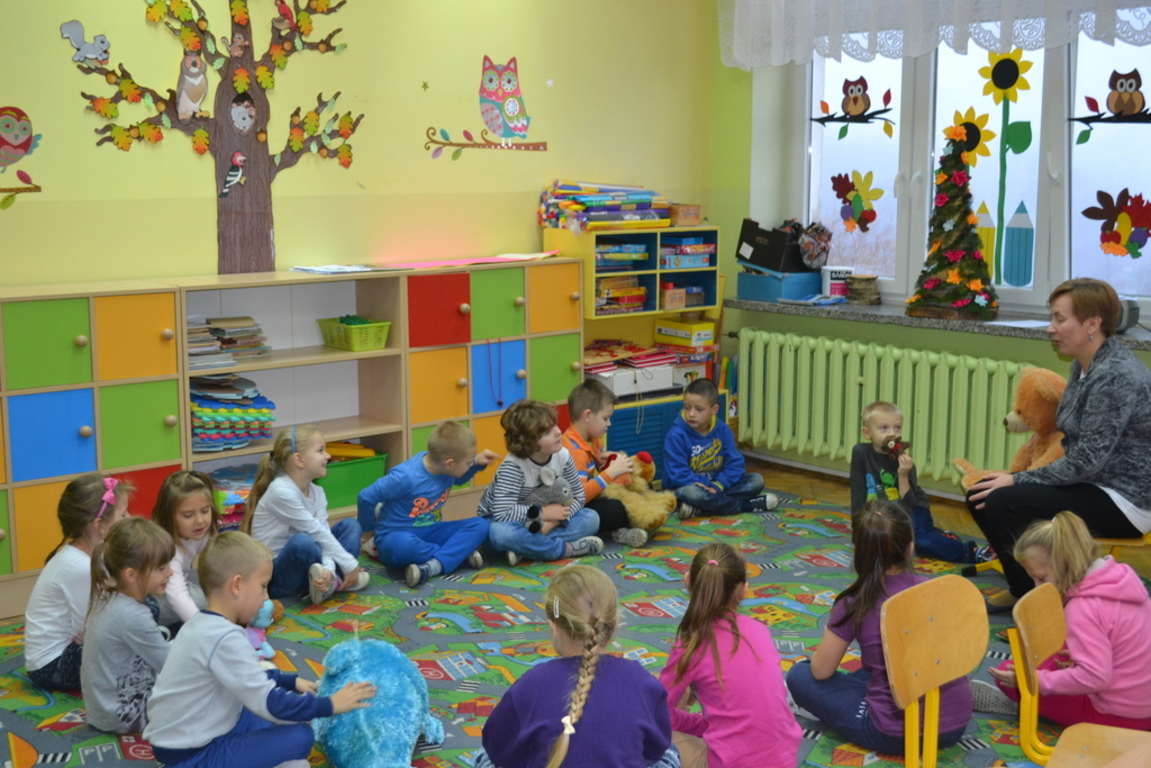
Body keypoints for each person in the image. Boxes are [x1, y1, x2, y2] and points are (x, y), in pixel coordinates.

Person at [968, 279, 1151, 612]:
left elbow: (1087, 460)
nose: (1051, 328)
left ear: (1092, 324)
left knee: (999, 501)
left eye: (1060, 319)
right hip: (1092, 482)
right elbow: (1074, 436)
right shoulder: (1084, 364)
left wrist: (1017, 478)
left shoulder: (1116, 375)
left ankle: (1042, 599)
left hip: (1123, 499)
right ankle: (1028, 589)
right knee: (980, 495)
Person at [144, 531, 376, 768]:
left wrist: (289, 681)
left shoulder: (201, 623)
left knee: (289, 721)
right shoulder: (224, 637)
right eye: (263, 586)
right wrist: (332, 704)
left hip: (191, 735)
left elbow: (244, 675)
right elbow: (269, 703)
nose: (266, 598)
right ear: (236, 585)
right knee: (301, 736)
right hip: (191, 755)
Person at [787, 501, 972, 755]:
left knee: (799, 675)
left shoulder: (855, 601)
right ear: (910, 548)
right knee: (878, 666)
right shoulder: (935, 589)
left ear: (858, 551)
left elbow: (820, 671)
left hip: (894, 732)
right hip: (955, 722)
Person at [474, 565, 678, 768]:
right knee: (668, 753)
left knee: (483, 757)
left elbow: (497, 748)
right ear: (615, 623)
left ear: (553, 628)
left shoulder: (530, 684)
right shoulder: (640, 679)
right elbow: (656, 748)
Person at [971, 512, 1151, 729]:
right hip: (1142, 705)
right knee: (1056, 651)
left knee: (1010, 673)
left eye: (1041, 578)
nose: (1037, 587)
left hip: (1118, 718)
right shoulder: (1122, 578)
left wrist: (1036, 681)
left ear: (1065, 564)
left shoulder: (1083, 608)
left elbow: (1095, 678)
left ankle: (1027, 705)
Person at [660, 543, 800, 768]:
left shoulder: (690, 645)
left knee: (645, 732)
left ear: (687, 581)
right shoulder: (760, 630)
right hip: (784, 760)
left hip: (729, 762)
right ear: (744, 590)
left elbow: (657, 715)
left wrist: (698, 725)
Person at [24, 474, 132, 691]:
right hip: (52, 666)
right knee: (129, 636)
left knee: (140, 613)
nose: (130, 518)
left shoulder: (93, 553)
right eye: (123, 514)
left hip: (70, 650)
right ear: (99, 525)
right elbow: (96, 629)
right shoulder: (80, 567)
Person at [357, 420, 496, 587]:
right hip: (396, 534)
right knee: (404, 546)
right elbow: (366, 496)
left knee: (481, 525)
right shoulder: (405, 476)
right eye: (469, 462)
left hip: (431, 530)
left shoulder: (443, 466)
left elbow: (459, 478)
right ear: (449, 463)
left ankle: (436, 563)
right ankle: (455, 556)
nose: (470, 464)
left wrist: (477, 463)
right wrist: (366, 532)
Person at [851, 401, 991, 564]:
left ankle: (972, 552)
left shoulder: (904, 462)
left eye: (897, 428)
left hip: (914, 508)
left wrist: (903, 474)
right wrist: (858, 533)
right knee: (883, 543)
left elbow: (908, 504)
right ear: (867, 433)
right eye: (884, 428)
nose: (892, 434)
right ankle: (939, 535)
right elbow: (858, 493)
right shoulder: (860, 452)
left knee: (918, 542)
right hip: (885, 513)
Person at [243, 425, 368, 604]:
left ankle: (328, 581)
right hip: (277, 575)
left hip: (311, 561)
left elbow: (323, 533)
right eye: (320, 450)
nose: (328, 456)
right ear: (299, 460)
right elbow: (315, 532)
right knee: (303, 541)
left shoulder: (317, 492)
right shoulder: (281, 491)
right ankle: (332, 582)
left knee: (350, 525)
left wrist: (328, 569)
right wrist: (348, 564)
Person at [477, 400, 603, 566]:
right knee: (498, 533)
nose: (558, 432)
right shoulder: (513, 466)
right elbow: (502, 513)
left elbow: (578, 498)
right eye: (548, 432)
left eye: (555, 426)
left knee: (591, 518)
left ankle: (525, 549)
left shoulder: (563, 456)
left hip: (546, 522)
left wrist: (554, 522)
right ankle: (564, 549)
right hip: (503, 521)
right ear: (528, 442)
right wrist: (543, 513)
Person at [81, 517, 175, 733]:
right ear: (131, 575)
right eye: (161, 568)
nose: (169, 572)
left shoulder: (107, 594)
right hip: (126, 715)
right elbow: (172, 667)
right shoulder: (133, 615)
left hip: (103, 709)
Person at [662, 378, 777, 518]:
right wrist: (708, 486)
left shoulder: (722, 430)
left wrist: (717, 486)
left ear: (714, 410)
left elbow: (735, 464)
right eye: (687, 407)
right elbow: (678, 474)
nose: (691, 414)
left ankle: (700, 508)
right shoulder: (676, 435)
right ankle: (743, 505)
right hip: (686, 487)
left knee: (756, 481)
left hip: (716, 486)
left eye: (699, 409)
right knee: (691, 493)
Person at [562, 379, 649, 548]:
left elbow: (596, 470)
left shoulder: (592, 439)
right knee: (615, 508)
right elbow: (579, 496)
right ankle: (619, 531)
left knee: (641, 488)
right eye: (605, 418)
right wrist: (610, 473)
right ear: (588, 416)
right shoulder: (574, 451)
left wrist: (603, 461)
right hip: (575, 506)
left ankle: (626, 523)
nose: (609, 424)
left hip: (588, 497)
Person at [151, 470, 220, 628]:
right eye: (188, 515)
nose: (200, 520)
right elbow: (177, 595)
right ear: (169, 517)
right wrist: (201, 627)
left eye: (205, 511)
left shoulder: (199, 531)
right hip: (156, 599)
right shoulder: (170, 550)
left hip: (181, 579)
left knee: (220, 579)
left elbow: (218, 560)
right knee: (201, 599)